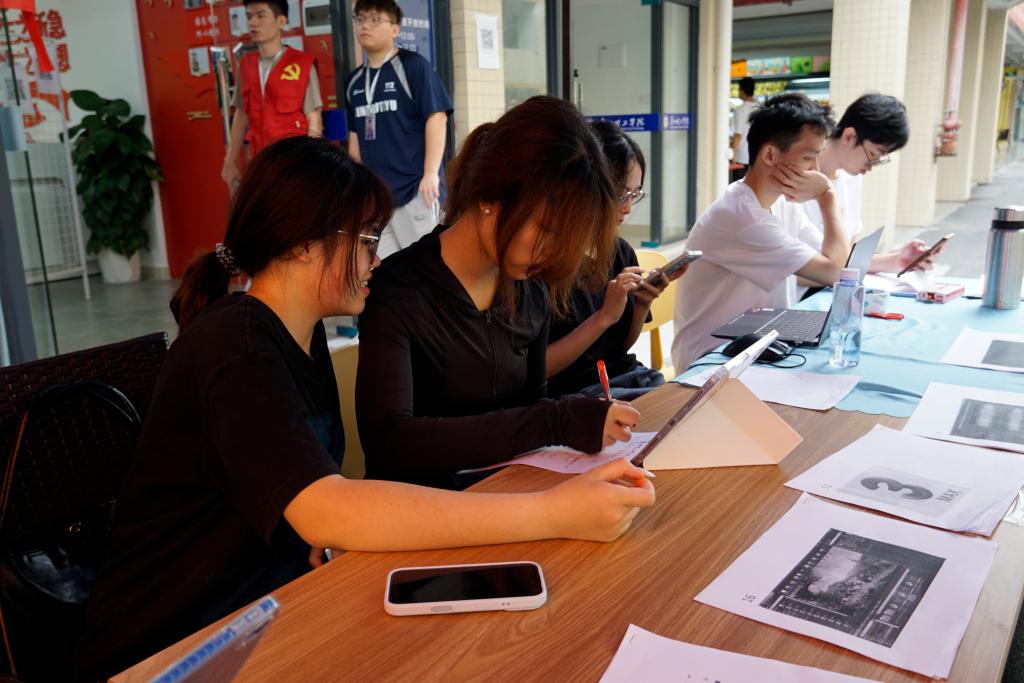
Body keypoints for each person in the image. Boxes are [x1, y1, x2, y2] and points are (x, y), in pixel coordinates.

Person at [74, 137, 655, 682]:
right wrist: (551, 511)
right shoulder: (236, 344)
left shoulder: (299, 337)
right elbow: (325, 506)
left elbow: (305, 499)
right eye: (367, 241)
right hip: (172, 649)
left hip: (263, 613)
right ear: (304, 243)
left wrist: (318, 526)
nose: (376, 260)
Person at [356, 96, 641, 490]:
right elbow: (390, 442)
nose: (553, 253)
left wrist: (568, 419)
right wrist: (553, 421)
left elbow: (530, 407)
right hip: (422, 508)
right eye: (546, 230)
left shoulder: (530, 289)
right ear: (491, 197)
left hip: (509, 494)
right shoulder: (399, 290)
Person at [670, 93, 930, 371]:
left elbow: (836, 261)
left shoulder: (781, 203)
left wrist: (893, 261)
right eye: (808, 158)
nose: (816, 171)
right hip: (712, 361)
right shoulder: (742, 217)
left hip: (759, 342)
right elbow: (834, 272)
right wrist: (826, 195)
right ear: (770, 155)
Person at [546, 121, 680, 400]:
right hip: (574, 396)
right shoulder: (545, 264)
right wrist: (603, 317)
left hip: (624, 379)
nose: (628, 207)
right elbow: (539, 370)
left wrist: (642, 303)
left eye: (635, 194)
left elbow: (619, 350)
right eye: (621, 193)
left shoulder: (619, 250)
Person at [345, 0, 453, 259]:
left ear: (395, 29)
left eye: (374, 19)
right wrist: (355, 186)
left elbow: (437, 118)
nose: (365, 26)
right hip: (376, 197)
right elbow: (355, 137)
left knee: (425, 264)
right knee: (384, 267)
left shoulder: (412, 66)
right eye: (360, 19)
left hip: (415, 189)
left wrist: (430, 174)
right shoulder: (354, 81)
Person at [220, 0, 323, 189]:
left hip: (293, 163)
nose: (252, 23)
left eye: (260, 16)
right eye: (249, 17)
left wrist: (311, 165)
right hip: (259, 162)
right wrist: (229, 160)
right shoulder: (246, 65)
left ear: (281, 21)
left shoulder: (301, 64)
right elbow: (241, 116)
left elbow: (314, 120)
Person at [801, 93, 911, 237]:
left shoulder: (852, 178)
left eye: (880, 158)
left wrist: (898, 253)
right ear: (849, 136)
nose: (873, 165)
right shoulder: (796, 175)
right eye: (873, 154)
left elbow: (850, 243)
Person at [730, 76, 758, 183]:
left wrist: (733, 156)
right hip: (756, 156)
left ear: (742, 91)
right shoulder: (760, 109)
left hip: (741, 158)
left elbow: (738, 135)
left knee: (739, 187)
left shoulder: (740, 111)